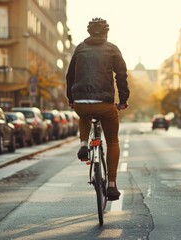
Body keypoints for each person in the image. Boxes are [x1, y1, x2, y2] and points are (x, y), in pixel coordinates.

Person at [66, 17, 129, 201]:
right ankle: (111, 185)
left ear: (89, 32)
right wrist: (123, 100)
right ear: (106, 33)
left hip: (80, 102)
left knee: (84, 113)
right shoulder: (112, 49)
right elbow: (121, 75)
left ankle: (84, 144)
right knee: (113, 142)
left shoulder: (79, 48)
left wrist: (71, 99)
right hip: (104, 103)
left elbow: (70, 76)